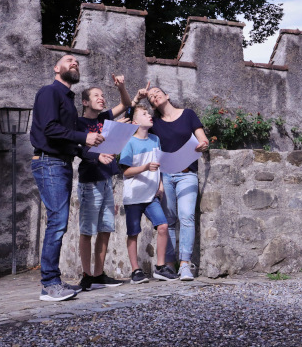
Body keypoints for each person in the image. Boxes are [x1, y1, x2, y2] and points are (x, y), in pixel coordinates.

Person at [30, 54, 104, 302]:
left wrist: (94, 155)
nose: (74, 63)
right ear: (56, 67)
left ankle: (53, 282)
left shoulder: (68, 101)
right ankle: (49, 285)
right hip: (49, 163)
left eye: (77, 62)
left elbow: (68, 140)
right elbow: (50, 129)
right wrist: (84, 138)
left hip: (61, 163)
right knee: (58, 221)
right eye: (68, 60)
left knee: (59, 221)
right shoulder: (49, 92)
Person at [76, 74, 133, 291]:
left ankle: (99, 274)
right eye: (96, 95)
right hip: (90, 181)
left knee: (105, 228)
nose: (101, 98)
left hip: (107, 179)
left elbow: (127, 104)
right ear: (85, 102)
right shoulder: (79, 123)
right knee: (87, 230)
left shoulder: (105, 118)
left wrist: (122, 87)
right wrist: (96, 156)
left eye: (102, 95)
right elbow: (79, 149)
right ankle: (86, 275)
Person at [146, 86, 209, 281]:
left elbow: (203, 140)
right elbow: (133, 122)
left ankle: (185, 265)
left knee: (186, 216)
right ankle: (170, 266)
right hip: (166, 176)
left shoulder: (188, 114)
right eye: (150, 96)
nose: (154, 96)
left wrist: (203, 144)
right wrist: (138, 97)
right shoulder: (155, 123)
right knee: (170, 221)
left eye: (157, 92)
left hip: (186, 174)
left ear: (167, 95)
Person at [119, 104, 179, 284]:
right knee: (133, 232)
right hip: (134, 196)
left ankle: (160, 267)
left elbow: (158, 165)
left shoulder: (155, 139)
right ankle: (135, 271)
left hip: (151, 195)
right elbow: (126, 172)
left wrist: (160, 184)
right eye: (144, 114)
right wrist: (145, 167)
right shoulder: (129, 142)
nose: (149, 115)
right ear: (136, 121)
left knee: (162, 226)